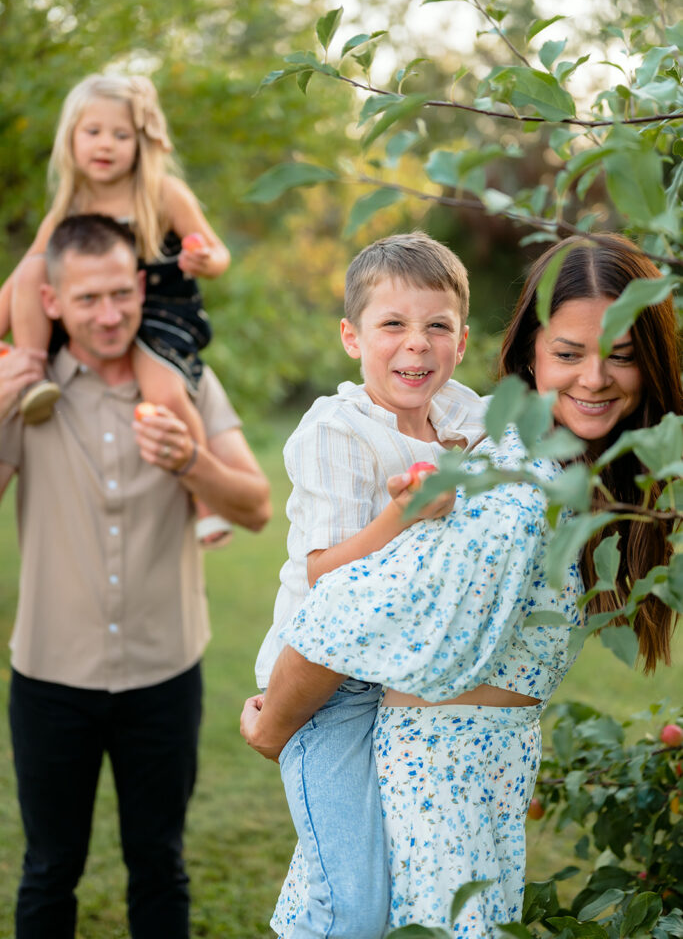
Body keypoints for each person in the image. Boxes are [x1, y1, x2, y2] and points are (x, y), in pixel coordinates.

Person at [242, 233, 681, 936]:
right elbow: (334, 615)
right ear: (531, 354)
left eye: (622, 356)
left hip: (479, 774)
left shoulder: (547, 458)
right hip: (432, 781)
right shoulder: (510, 488)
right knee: (358, 913)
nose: (595, 377)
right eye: (568, 354)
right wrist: (274, 727)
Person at [0, 213, 271, 939]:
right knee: (49, 870)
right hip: (51, 682)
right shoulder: (24, 390)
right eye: (87, 299)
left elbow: (255, 508)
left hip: (164, 676)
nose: (111, 314)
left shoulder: (186, 382)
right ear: (51, 300)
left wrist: (191, 462)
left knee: (160, 864)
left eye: (122, 293)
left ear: (142, 287)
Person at [249, 231, 488, 938]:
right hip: (329, 688)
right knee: (353, 903)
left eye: (435, 326)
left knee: (387, 882)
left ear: (461, 340)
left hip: (412, 684)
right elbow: (324, 573)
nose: (415, 346)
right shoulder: (337, 431)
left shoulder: (468, 420)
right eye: (392, 325)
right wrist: (406, 511)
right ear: (352, 337)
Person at [0, 73, 231, 545]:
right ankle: (34, 374)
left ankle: (204, 499)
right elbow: (24, 277)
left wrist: (204, 260)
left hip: (161, 312)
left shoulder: (164, 194)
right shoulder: (71, 204)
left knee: (163, 392)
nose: (106, 144)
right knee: (33, 269)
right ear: (71, 138)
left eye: (120, 135)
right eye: (93, 132)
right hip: (92, 313)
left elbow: (219, 254)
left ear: (141, 142)